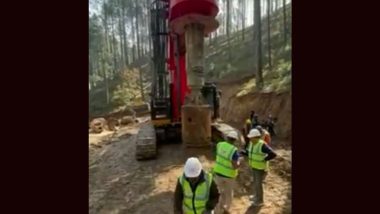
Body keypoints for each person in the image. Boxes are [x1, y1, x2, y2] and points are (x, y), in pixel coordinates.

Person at [246, 129, 277, 207]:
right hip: (253, 166)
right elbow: (249, 152)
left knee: (258, 184)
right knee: (255, 183)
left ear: (256, 137)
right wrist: (243, 152)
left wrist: (264, 159)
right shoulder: (252, 143)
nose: (250, 139)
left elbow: (273, 154)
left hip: (260, 168)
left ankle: (259, 201)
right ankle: (256, 196)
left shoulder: (262, 145)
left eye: (251, 137)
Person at [213, 131, 240, 214]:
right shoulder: (234, 151)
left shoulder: (219, 145)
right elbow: (235, 166)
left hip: (218, 173)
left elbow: (218, 155)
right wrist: (239, 162)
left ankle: (217, 210)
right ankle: (226, 209)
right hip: (229, 176)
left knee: (218, 192)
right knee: (228, 193)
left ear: (227, 138)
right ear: (235, 140)